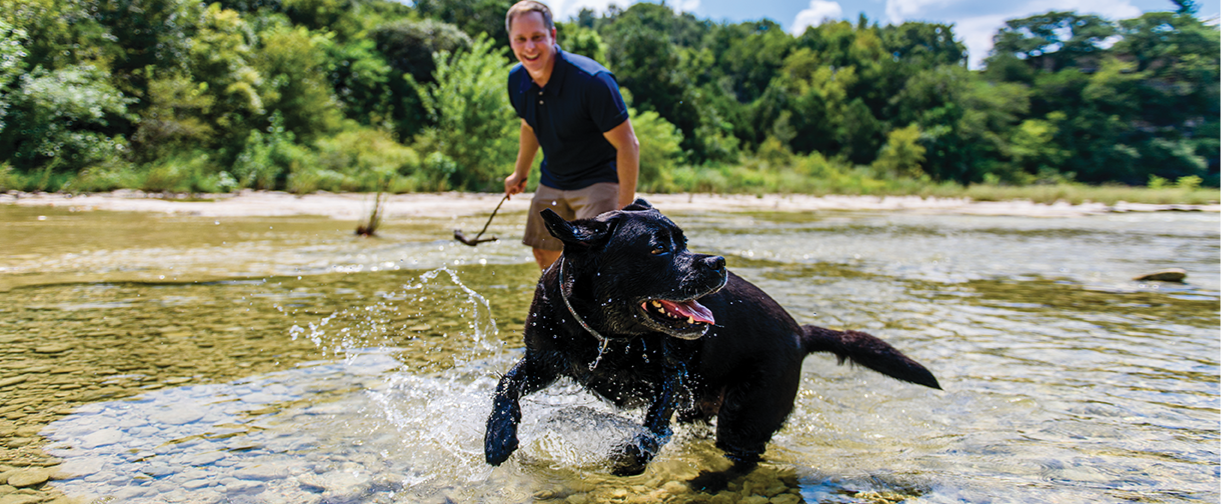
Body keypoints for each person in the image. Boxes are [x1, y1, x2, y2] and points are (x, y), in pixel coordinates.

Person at [502, 0, 640, 270]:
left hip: (599, 179)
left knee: (594, 263)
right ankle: (563, 312)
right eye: (521, 39)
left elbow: (628, 145)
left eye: (537, 37)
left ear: (552, 35)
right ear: (511, 41)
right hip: (553, 177)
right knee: (544, 253)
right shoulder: (516, 80)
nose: (529, 47)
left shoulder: (592, 81)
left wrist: (625, 211)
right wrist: (520, 172)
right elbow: (530, 126)